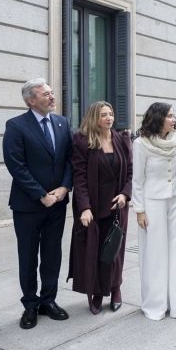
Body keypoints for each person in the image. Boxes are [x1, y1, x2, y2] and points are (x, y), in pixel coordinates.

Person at [3, 78, 72, 329]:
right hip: (28, 206)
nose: (52, 97)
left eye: (52, 93)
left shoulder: (63, 123)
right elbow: (16, 165)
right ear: (30, 101)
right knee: (29, 256)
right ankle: (30, 305)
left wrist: (64, 187)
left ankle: (48, 301)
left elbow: (69, 159)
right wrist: (41, 194)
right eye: (46, 94)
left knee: (52, 254)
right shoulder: (16, 126)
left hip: (58, 203)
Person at [132, 102, 176, 320]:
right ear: (158, 118)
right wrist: (140, 210)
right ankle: (157, 303)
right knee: (156, 252)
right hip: (153, 202)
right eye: (169, 116)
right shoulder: (140, 144)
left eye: (173, 115)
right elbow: (137, 180)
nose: (174, 119)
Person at [68, 102, 132, 314]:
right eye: (103, 115)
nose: (109, 118)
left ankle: (115, 289)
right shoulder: (82, 141)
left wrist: (125, 194)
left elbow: (131, 172)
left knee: (115, 251)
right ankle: (97, 291)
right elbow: (79, 177)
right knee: (94, 251)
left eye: (111, 114)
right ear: (94, 118)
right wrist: (84, 207)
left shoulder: (122, 139)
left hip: (117, 206)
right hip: (94, 208)